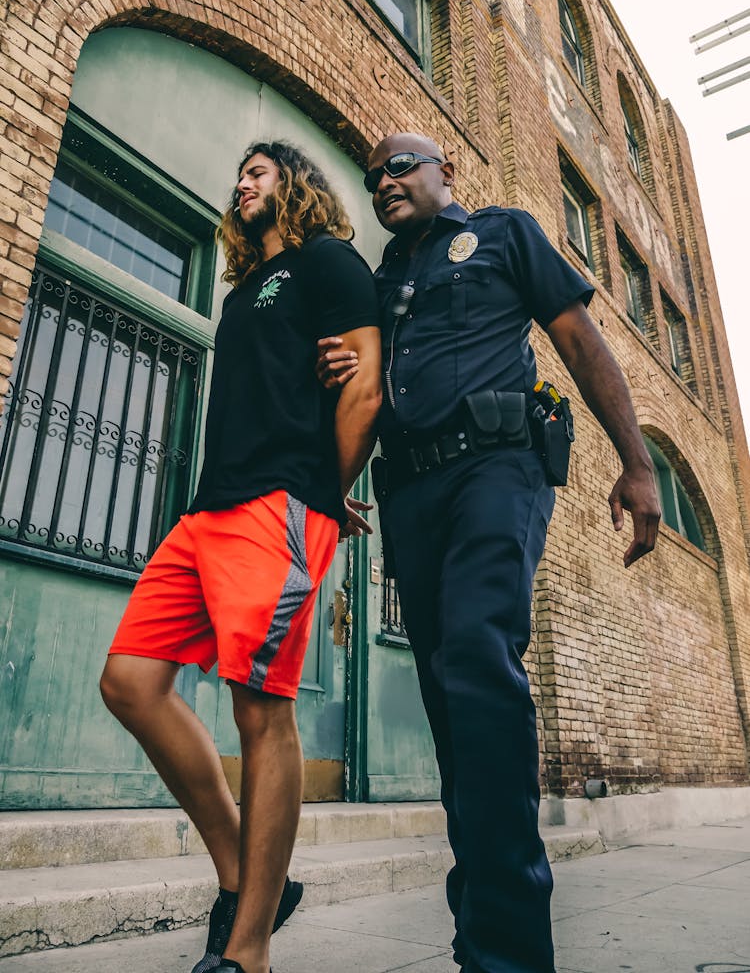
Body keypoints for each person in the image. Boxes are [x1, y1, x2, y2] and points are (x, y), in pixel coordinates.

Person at [317, 133, 661, 973]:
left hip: (498, 467)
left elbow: (578, 339)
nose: (383, 181)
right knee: (447, 696)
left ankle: (506, 954)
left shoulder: (506, 233)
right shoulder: (382, 277)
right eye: (372, 178)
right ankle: (482, 928)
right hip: (410, 494)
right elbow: (363, 388)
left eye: (400, 166)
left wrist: (639, 462)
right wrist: (332, 484)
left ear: (446, 173)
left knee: (477, 649)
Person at [100, 141, 382, 973]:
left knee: (261, 710)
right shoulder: (243, 289)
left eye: (258, 172)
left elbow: (366, 385)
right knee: (130, 681)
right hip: (207, 510)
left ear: (294, 185)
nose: (241, 183)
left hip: (276, 506)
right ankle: (247, 874)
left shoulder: (327, 261)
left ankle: (247, 949)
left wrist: (320, 495)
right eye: (239, 175)